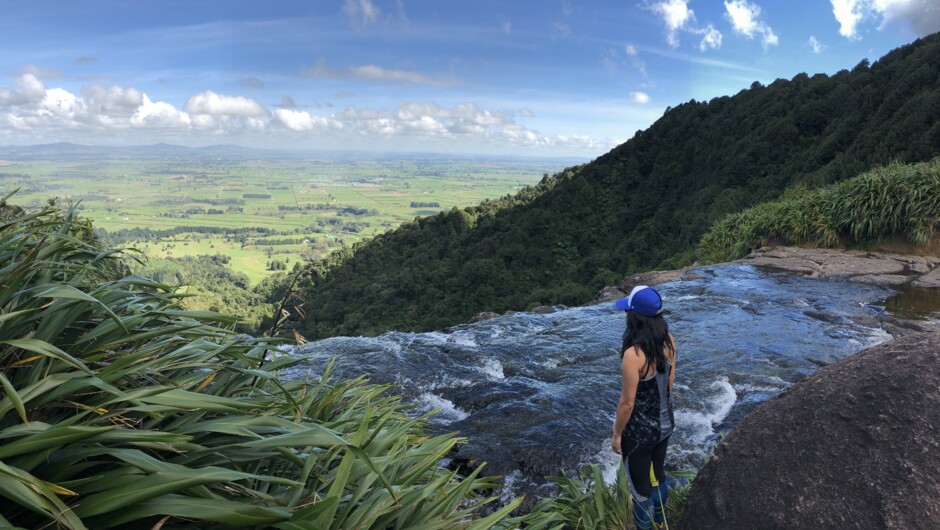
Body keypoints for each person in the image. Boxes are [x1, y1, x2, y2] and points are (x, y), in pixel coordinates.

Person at [611, 285, 676, 530]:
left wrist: (617, 434)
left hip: (638, 434)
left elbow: (627, 403)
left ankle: (646, 526)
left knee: (640, 491)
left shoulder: (633, 354)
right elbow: (669, 382)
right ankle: (661, 520)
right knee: (658, 476)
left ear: (635, 317)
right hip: (665, 424)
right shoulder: (669, 341)